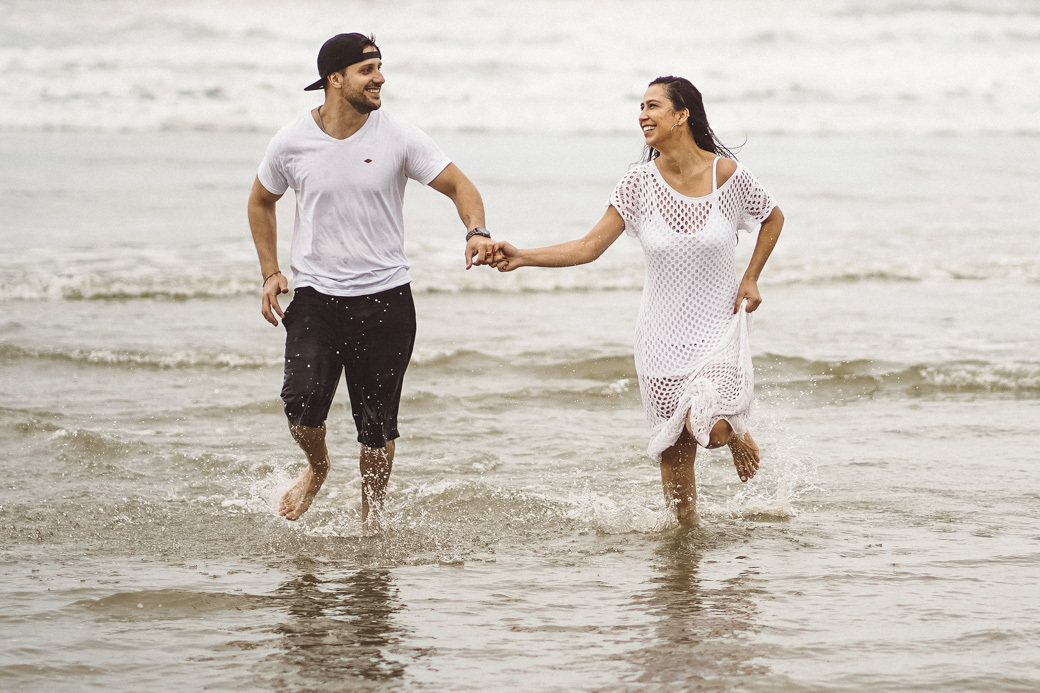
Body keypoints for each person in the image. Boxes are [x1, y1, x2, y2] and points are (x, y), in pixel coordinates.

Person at [491, 76, 784, 527]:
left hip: (718, 331)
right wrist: (523, 256)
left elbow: (772, 217)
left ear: (682, 114)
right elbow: (589, 247)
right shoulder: (637, 185)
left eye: (653, 106)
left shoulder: (725, 176)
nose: (642, 115)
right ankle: (683, 550)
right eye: (640, 107)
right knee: (675, 455)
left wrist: (751, 278)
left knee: (708, 424)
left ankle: (738, 433)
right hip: (661, 340)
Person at [247, 33, 495, 523]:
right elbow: (261, 200)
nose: (380, 78)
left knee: (376, 425)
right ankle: (317, 469)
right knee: (300, 407)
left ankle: (371, 518)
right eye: (367, 70)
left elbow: (459, 185)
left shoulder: (399, 136)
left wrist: (477, 231)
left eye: (380, 67)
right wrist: (271, 271)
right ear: (334, 80)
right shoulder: (292, 141)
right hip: (316, 296)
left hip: (385, 298)